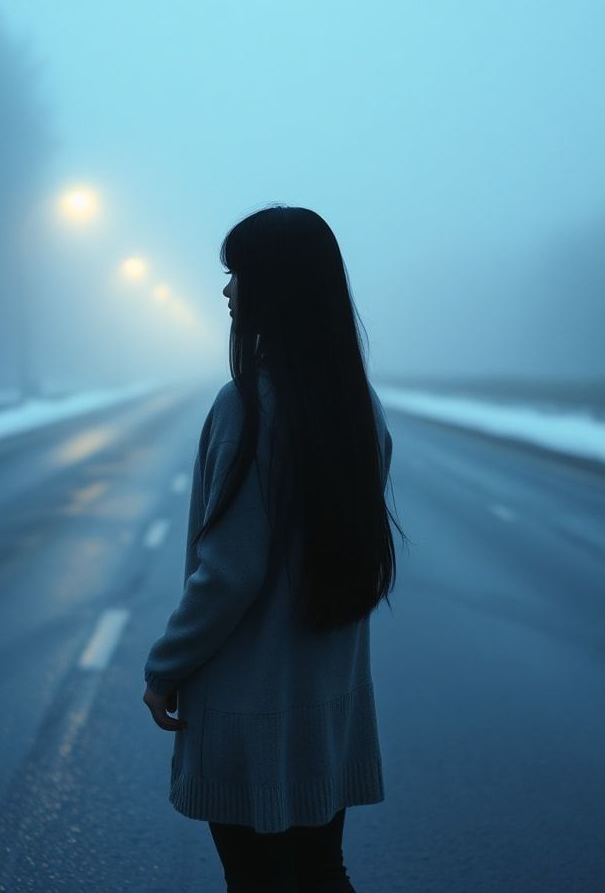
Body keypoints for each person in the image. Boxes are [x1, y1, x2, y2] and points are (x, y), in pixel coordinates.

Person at [142, 205, 409, 892]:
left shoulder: (247, 407)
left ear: (276, 290)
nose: (227, 291)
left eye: (239, 275)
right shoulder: (356, 406)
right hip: (327, 701)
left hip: (249, 709)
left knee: (257, 881)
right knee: (322, 871)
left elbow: (229, 572)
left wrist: (165, 667)